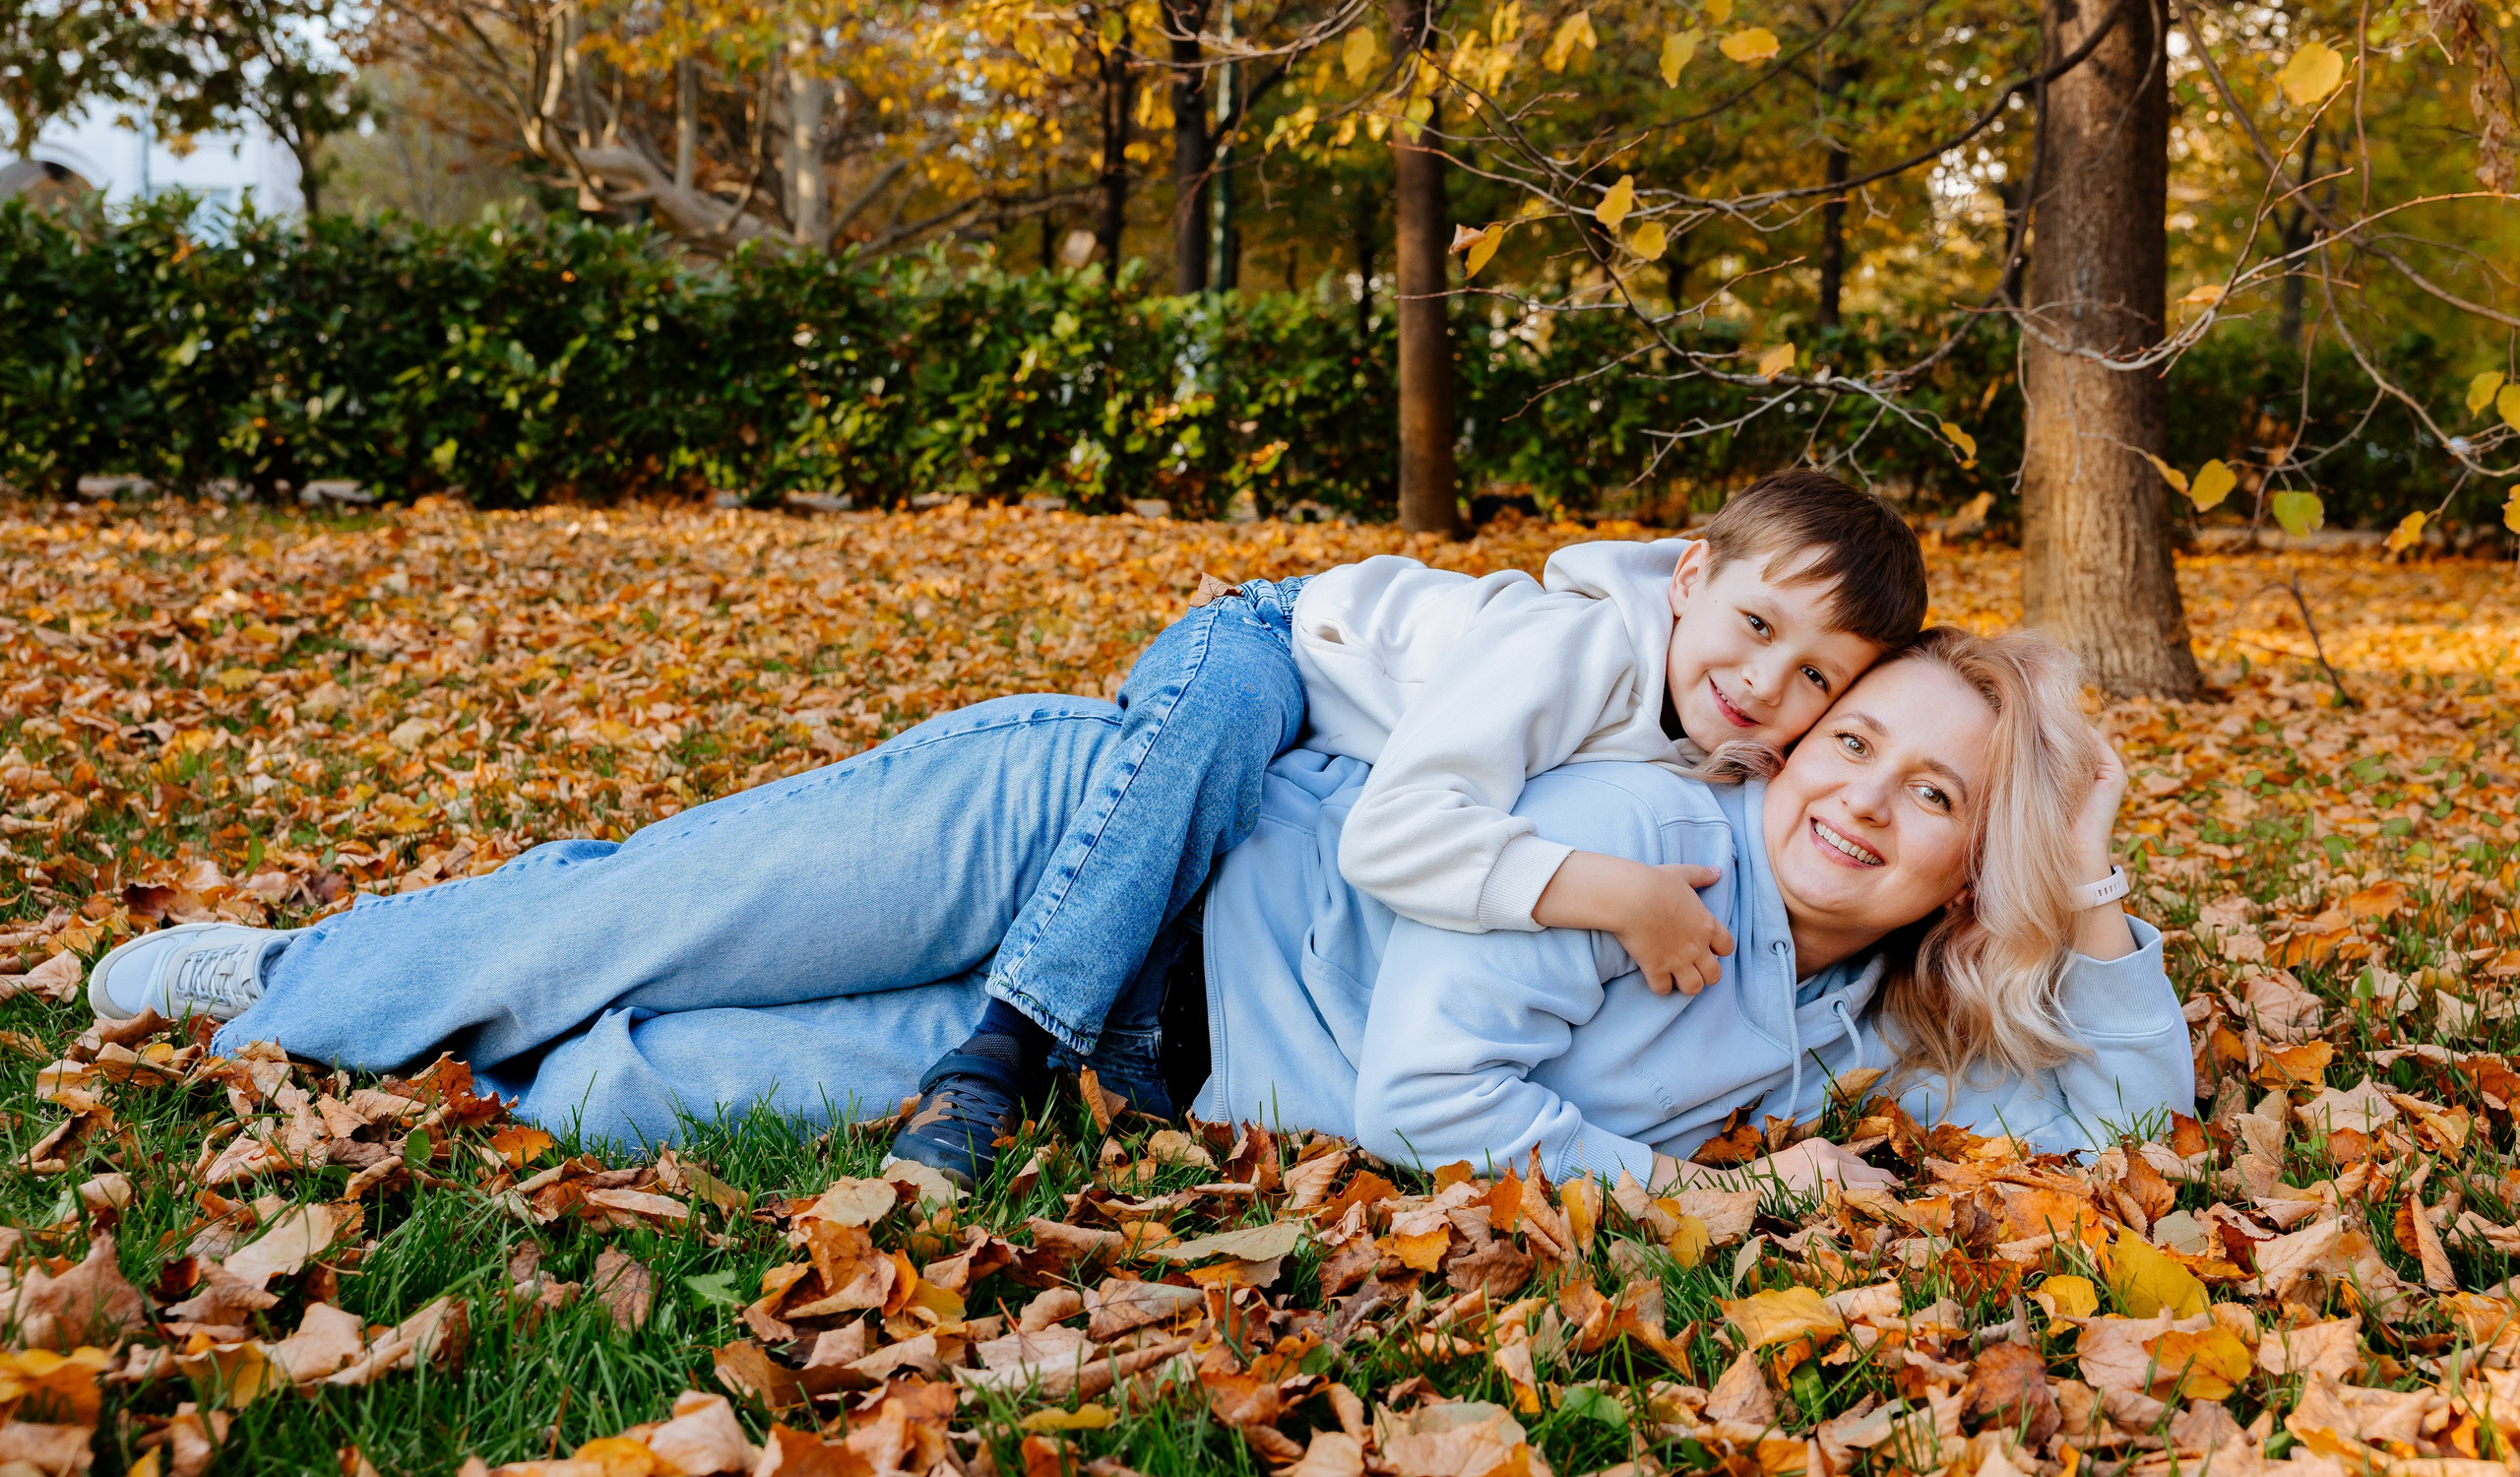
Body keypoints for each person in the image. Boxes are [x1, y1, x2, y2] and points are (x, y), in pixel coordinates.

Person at [90, 473, 1926, 1185]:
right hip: (1103, 817)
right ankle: (288, 976)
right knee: (630, 920)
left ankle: (445, 1054)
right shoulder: (1575, 672)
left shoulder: (1748, 823)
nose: (1780, 703)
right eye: (1758, 634)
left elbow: (2080, 1050)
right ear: (1691, 579)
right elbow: (1405, 830)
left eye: (1822, 683)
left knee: (630, 1089)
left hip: (1157, 1056)